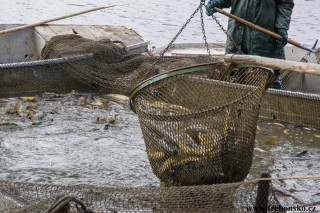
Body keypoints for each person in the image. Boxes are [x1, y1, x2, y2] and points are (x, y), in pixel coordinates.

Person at [206, 0, 295, 89]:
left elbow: (285, 3)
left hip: (265, 37)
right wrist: (216, 2)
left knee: (270, 78)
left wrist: (282, 26)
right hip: (237, 34)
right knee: (235, 75)